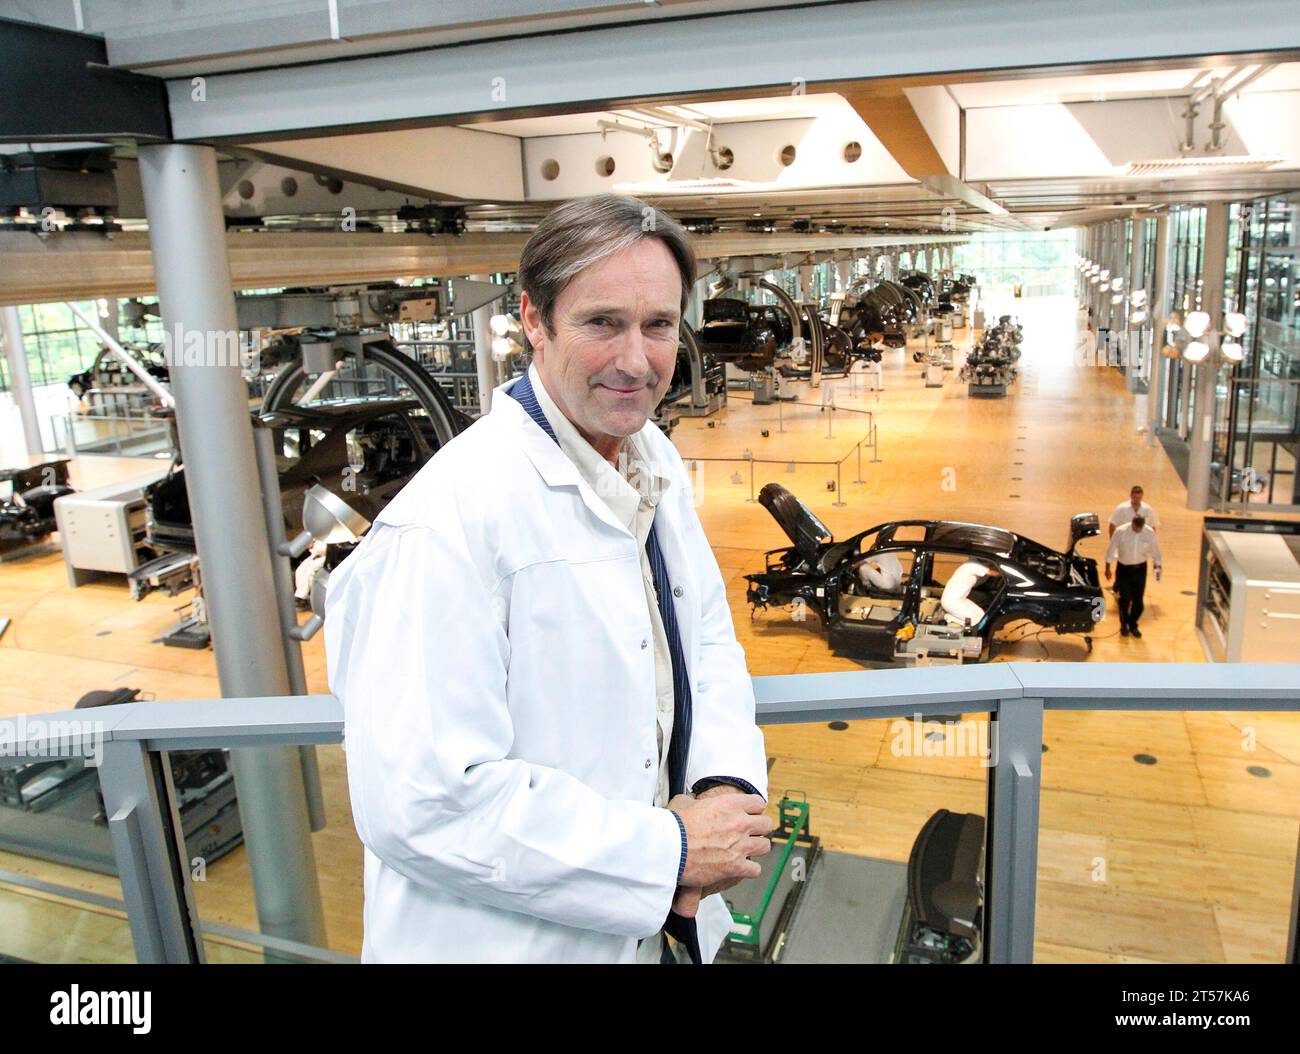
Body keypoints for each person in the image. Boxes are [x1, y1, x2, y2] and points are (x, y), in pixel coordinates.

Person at [325, 194, 772, 964]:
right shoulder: (444, 526)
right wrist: (664, 853)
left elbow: (702, 635)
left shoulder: (650, 458)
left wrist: (722, 788)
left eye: (659, 325)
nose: (637, 360)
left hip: (642, 930)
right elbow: (422, 805)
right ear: (534, 320)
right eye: (603, 323)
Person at [1105, 513, 1162, 638]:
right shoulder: (1121, 531)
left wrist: (1157, 564)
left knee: (1138, 602)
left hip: (1140, 569)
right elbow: (1111, 548)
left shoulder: (1149, 533)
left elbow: (1155, 549)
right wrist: (1107, 567)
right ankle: (1123, 624)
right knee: (1124, 600)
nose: (1138, 530)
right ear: (1133, 523)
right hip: (1124, 569)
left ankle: (1132, 623)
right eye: (1136, 528)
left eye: (1140, 528)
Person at [941, 560, 1001, 628]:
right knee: (977, 621)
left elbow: (990, 568)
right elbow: (995, 573)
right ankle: (950, 618)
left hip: (960, 600)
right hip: (952, 602)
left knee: (981, 615)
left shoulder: (972, 563)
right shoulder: (974, 565)